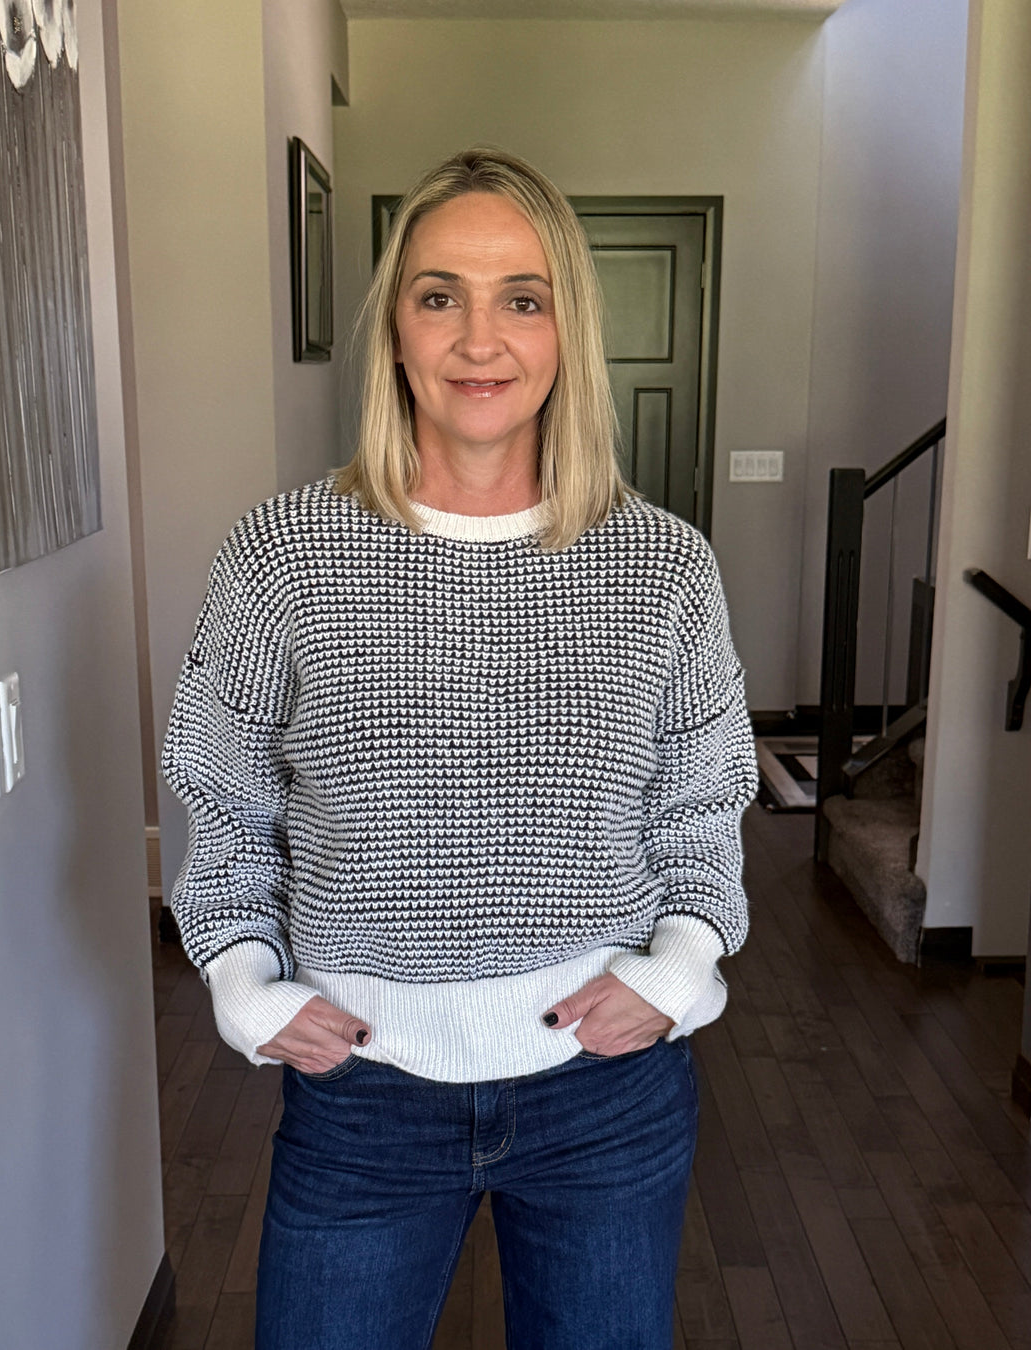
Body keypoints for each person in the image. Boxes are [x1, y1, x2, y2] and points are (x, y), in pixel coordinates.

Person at [162, 146, 757, 1350]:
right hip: (362, 1095)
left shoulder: (663, 565)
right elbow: (218, 786)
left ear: (567, 329)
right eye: (440, 296)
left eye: (521, 299)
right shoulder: (284, 554)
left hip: (606, 1093)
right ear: (394, 329)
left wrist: (679, 971)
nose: (480, 340)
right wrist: (240, 983)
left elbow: (704, 796)